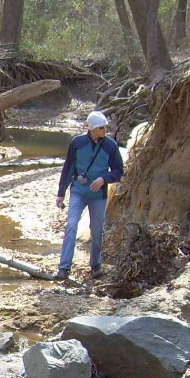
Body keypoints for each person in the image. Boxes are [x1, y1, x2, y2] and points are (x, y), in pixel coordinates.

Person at [54, 110, 124, 280]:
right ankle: (64, 267)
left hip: (98, 195)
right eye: (101, 128)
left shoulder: (110, 146)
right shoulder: (77, 143)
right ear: (92, 128)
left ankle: (95, 264)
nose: (104, 130)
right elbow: (68, 167)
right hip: (78, 191)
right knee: (71, 225)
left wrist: (104, 178)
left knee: (97, 229)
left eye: (105, 127)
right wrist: (61, 193)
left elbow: (118, 171)